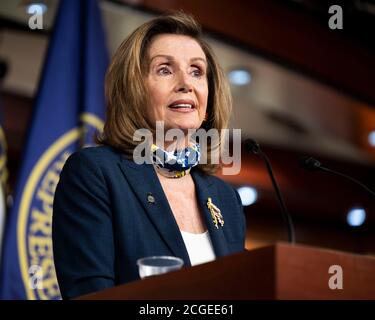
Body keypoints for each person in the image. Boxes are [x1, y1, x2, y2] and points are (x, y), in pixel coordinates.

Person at [52, 11, 246, 300]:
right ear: (134, 89)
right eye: (165, 69)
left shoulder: (226, 199)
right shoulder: (95, 173)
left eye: (196, 71)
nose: (185, 83)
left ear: (209, 98)